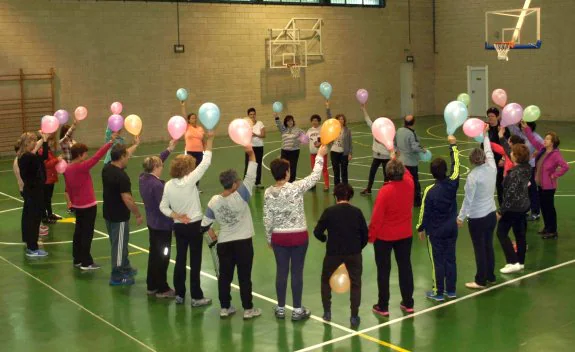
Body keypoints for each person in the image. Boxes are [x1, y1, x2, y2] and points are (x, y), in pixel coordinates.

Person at [264, 144, 328, 321]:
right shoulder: (296, 187)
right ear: (286, 173)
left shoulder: (268, 193)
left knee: (281, 271)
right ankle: (298, 310)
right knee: (297, 272)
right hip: (299, 236)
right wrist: (320, 155)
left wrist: (270, 238)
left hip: (279, 238)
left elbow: (267, 218)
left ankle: (280, 308)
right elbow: (314, 177)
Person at [200, 146, 262, 319]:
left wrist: (212, 233)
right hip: (243, 243)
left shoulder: (214, 201)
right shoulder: (241, 195)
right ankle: (248, 309)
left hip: (224, 244)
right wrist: (251, 153)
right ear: (235, 184)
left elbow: (204, 225)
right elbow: (251, 174)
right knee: (244, 277)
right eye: (238, 181)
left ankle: (225, 308)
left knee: (225, 277)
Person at [160, 132, 215, 306]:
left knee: (181, 260)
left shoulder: (168, 184)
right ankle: (197, 297)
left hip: (179, 227)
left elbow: (163, 207)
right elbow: (206, 162)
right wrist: (210, 140)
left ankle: (180, 294)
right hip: (194, 226)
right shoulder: (190, 180)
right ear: (187, 169)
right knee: (195, 261)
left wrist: (176, 216)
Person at [314, 183, 368, 327]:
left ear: (335, 196)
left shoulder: (329, 211)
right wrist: (358, 248)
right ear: (350, 196)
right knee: (356, 284)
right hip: (354, 253)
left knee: (325, 281)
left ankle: (327, 312)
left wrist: (324, 239)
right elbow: (365, 235)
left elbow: (317, 232)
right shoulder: (357, 212)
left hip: (333, 253)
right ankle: (354, 316)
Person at [369, 157, 415, 316]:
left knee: (383, 271)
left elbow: (376, 218)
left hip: (384, 237)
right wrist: (395, 156)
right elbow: (408, 173)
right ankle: (408, 303)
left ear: (387, 173)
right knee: (405, 268)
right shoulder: (409, 184)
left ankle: (383, 306)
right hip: (405, 234)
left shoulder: (385, 191)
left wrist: (371, 236)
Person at [416, 136, 460, 301]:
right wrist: (453, 146)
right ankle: (451, 290)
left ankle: (438, 292)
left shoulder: (430, 190)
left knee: (437, 261)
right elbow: (457, 167)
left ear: (432, 173)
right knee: (451, 259)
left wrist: (420, 228)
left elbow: (424, 211)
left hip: (436, 231)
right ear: (445, 170)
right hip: (451, 229)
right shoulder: (452, 184)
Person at [65, 136, 116, 270]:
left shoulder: (68, 169)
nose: (87, 156)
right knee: (87, 234)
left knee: (78, 232)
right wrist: (109, 143)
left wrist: (71, 202)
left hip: (77, 205)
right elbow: (97, 157)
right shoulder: (82, 167)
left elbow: (68, 188)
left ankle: (77, 259)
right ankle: (86, 262)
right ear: (80, 155)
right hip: (88, 206)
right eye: (85, 154)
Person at [457, 124, 497, 289]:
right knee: (488, 245)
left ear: (472, 161)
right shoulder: (492, 167)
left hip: (477, 218)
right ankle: (491, 276)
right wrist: (485, 135)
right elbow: (489, 151)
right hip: (491, 214)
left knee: (479, 248)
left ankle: (480, 280)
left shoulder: (473, 177)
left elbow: (468, 200)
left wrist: (460, 217)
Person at [139, 139, 177, 298]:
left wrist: (168, 150)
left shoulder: (143, 178)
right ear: (155, 168)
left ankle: (152, 285)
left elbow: (157, 160)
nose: (162, 167)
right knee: (163, 256)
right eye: (160, 166)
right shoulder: (158, 186)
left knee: (154, 255)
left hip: (152, 224)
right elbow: (165, 207)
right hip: (162, 226)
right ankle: (163, 288)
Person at [102, 139, 143, 286]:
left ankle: (125, 266)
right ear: (121, 158)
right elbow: (127, 198)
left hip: (108, 213)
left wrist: (135, 145)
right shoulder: (122, 177)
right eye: (126, 156)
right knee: (118, 246)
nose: (128, 158)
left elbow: (125, 154)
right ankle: (117, 276)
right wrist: (137, 214)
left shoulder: (106, 168)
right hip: (118, 216)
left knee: (120, 242)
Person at [523, 122, 570, 239]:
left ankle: (553, 230)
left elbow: (565, 166)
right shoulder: (543, 150)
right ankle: (547, 228)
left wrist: (554, 175)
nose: (545, 140)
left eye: (548, 139)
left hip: (549, 187)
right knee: (543, 207)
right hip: (541, 184)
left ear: (553, 142)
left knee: (549, 208)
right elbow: (533, 140)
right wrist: (526, 129)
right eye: (545, 138)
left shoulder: (556, 155)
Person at [496, 143, 531, 274]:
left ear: (516, 156)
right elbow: (509, 151)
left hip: (513, 209)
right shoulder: (526, 168)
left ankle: (512, 261)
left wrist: (501, 211)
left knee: (501, 233)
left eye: (513, 152)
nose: (510, 153)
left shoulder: (514, 174)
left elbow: (510, 195)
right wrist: (502, 138)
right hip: (523, 206)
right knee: (520, 234)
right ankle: (521, 262)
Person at [18, 132, 50, 257]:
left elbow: (36, 152)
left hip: (30, 190)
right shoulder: (29, 157)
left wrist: (43, 139)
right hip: (35, 191)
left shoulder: (23, 156)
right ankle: (33, 247)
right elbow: (44, 156)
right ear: (27, 143)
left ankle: (29, 243)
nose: (34, 143)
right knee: (34, 219)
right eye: (32, 141)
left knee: (28, 217)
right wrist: (45, 141)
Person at [508, 122, 544, 221]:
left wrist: (538, 152)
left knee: (532, 189)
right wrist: (504, 109)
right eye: (521, 124)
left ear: (530, 127)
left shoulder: (536, 137)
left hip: (530, 167)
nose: (522, 126)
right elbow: (510, 126)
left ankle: (535, 212)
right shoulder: (520, 133)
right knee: (525, 190)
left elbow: (544, 148)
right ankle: (526, 209)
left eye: (525, 125)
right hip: (520, 166)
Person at [13, 139, 48, 237]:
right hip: (27, 189)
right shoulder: (23, 159)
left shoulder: (23, 157)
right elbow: (22, 179)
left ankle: (36, 228)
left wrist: (44, 138)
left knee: (31, 213)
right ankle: (33, 233)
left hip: (27, 189)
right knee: (32, 213)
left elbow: (35, 147)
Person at [360, 104, 391, 195]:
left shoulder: (388, 131)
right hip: (376, 156)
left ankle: (386, 191)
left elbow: (391, 144)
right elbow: (368, 120)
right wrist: (363, 109)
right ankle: (368, 189)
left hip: (386, 156)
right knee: (372, 172)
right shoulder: (374, 128)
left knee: (386, 175)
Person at [394, 115, 425, 206]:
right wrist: (423, 150)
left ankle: (401, 199)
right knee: (414, 182)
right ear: (413, 122)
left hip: (401, 162)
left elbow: (394, 143)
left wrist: (397, 151)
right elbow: (414, 148)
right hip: (411, 162)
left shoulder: (399, 131)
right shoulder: (411, 133)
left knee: (401, 182)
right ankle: (417, 201)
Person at [485, 107, 510, 206]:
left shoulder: (503, 129)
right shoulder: (486, 128)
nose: (490, 118)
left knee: (500, 187)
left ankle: (503, 208)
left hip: (500, 162)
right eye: (489, 116)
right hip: (488, 161)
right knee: (488, 186)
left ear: (497, 117)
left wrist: (503, 159)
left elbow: (508, 146)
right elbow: (483, 144)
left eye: (492, 116)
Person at [326, 101, 352, 185]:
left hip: (344, 153)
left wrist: (350, 153)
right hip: (334, 152)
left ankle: (345, 187)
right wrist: (327, 108)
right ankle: (337, 187)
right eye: (339, 119)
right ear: (336, 120)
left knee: (344, 171)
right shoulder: (334, 128)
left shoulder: (347, 130)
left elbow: (350, 142)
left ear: (344, 120)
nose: (341, 120)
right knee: (336, 171)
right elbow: (329, 118)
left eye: (342, 119)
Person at [274, 113, 304, 183]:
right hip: (284, 151)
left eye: (291, 121)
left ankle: (292, 182)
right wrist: (276, 118)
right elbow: (279, 124)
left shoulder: (298, 130)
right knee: (284, 167)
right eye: (288, 121)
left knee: (293, 167)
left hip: (294, 152)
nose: (290, 122)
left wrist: (300, 141)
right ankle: (285, 182)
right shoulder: (283, 130)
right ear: (286, 122)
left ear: (293, 121)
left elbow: (305, 139)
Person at [39, 133, 62, 224]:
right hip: (46, 179)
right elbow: (46, 164)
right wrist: (57, 160)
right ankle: (44, 217)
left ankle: (50, 214)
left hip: (51, 177)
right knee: (45, 199)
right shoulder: (42, 151)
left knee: (48, 198)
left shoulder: (48, 151)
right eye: (50, 141)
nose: (52, 143)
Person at [306, 114, 329, 191]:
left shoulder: (322, 129)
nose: (314, 122)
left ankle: (326, 185)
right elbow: (306, 140)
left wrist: (320, 143)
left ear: (319, 121)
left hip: (322, 153)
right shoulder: (309, 130)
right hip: (312, 153)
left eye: (316, 120)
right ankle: (313, 184)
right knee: (313, 169)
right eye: (313, 120)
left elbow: (325, 139)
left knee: (324, 169)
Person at [59, 119, 78, 213]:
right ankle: (69, 205)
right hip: (67, 167)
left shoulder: (72, 141)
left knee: (75, 186)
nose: (70, 134)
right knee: (68, 187)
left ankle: (75, 203)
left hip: (75, 166)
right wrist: (73, 125)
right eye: (68, 131)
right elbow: (66, 136)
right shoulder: (62, 141)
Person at [244, 108, 265, 189]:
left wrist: (255, 134)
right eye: (250, 114)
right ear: (248, 116)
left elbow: (263, 135)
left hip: (259, 147)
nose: (252, 116)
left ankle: (257, 182)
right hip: (250, 147)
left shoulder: (260, 123)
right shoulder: (246, 125)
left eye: (253, 114)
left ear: (255, 115)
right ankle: (246, 183)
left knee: (258, 164)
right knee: (248, 164)